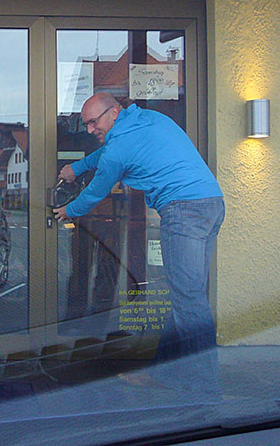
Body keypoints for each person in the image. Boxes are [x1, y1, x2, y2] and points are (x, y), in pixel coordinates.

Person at [53, 92, 224, 379]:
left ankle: (205, 388)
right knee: (186, 296)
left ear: (113, 113)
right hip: (211, 203)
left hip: (183, 211)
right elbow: (108, 152)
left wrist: (68, 210)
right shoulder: (148, 119)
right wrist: (77, 167)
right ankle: (164, 373)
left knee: (189, 302)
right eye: (86, 124)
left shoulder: (119, 147)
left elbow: (96, 191)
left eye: (94, 122)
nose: (90, 130)